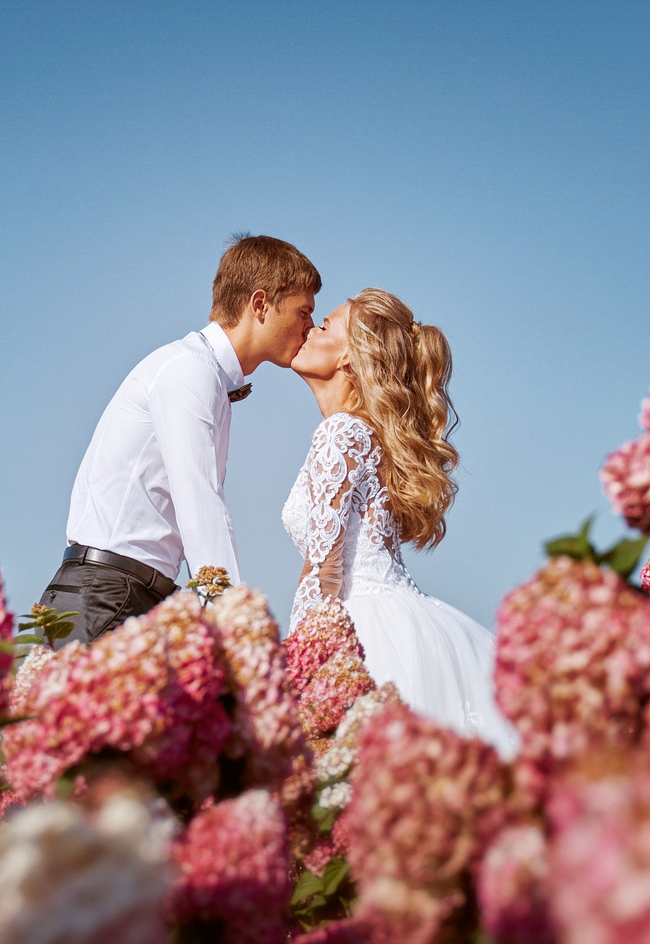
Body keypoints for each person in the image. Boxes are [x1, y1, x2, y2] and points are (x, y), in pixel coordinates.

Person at [38, 234, 321, 645]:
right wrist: (237, 629)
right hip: (107, 597)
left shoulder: (203, 373)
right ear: (260, 305)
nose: (310, 327)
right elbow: (200, 504)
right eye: (304, 311)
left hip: (123, 596)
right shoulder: (190, 371)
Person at [281, 288, 518, 754]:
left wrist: (299, 661)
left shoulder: (341, 432)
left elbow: (325, 570)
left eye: (324, 324)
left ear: (351, 356)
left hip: (360, 626)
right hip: (403, 620)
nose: (310, 328)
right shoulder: (366, 433)